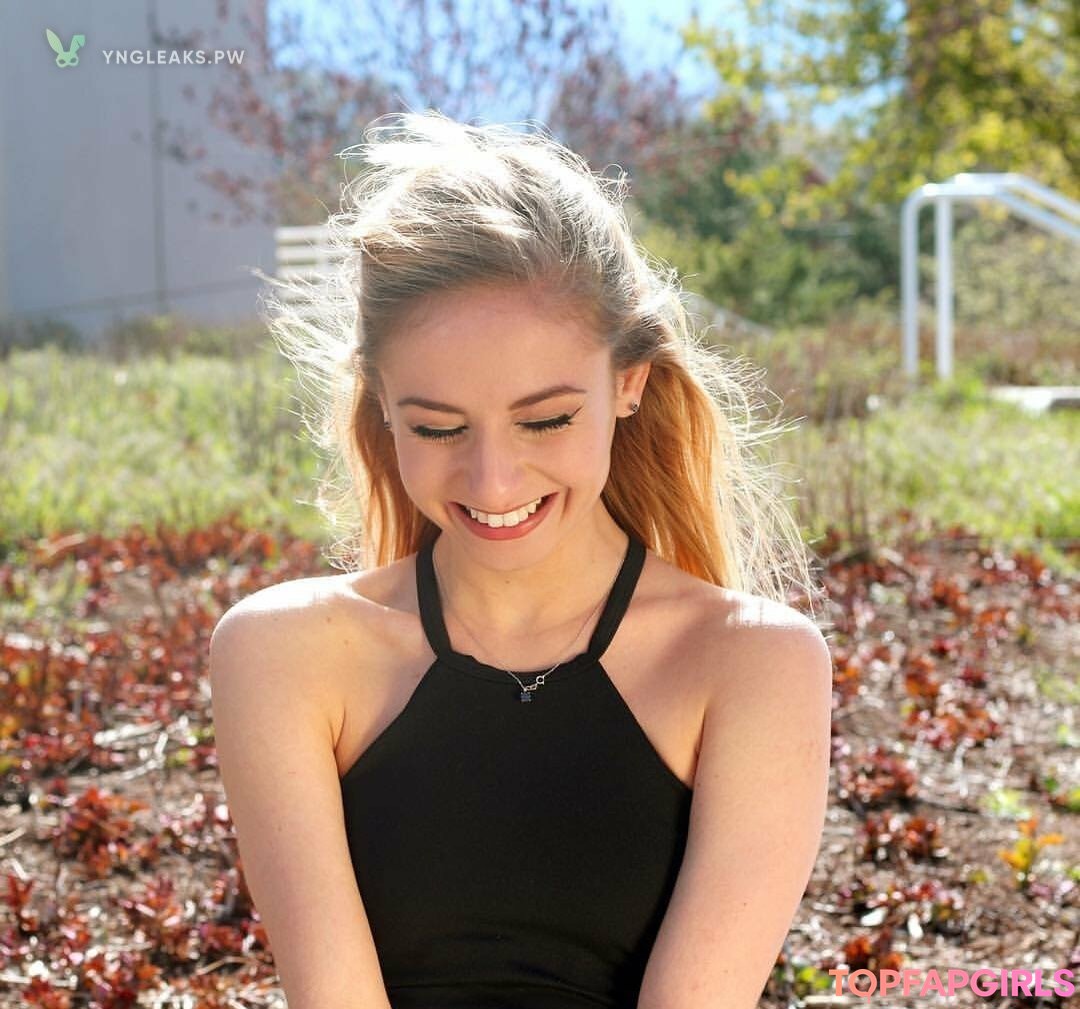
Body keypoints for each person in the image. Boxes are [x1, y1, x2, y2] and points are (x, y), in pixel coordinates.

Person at [209, 110, 834, 1009]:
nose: (493, 480)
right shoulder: (283, 651)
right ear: (381, 402)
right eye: (438, 427)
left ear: (628, 382)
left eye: (545, 420)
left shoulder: (754, 663)